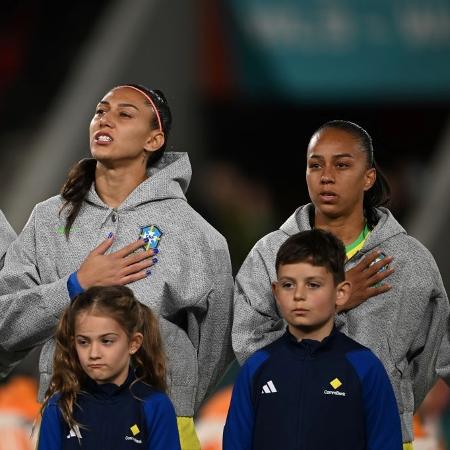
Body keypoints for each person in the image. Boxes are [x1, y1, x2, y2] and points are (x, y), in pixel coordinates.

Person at [0, 84, 234, 449]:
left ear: (154, 139)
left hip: (164, 421)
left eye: (124, 114)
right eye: (100, 111)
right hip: (67, 417)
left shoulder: (197, 234)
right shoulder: (49, 219)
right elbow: (6, 324)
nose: (104, 119)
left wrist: (177, 395)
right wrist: (74, 286)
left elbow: (217, 342)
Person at [232, 120, 449, 448]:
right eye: (315, 165)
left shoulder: (409, 259)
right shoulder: (269, 253)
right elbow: (248, 345)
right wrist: (329, 301)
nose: (326, 176)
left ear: (368, 177)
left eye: (342, 165)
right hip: (289, 431)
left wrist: (392, 404)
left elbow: (431, 356)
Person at [224, 229, 402, 449]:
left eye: (313, 284)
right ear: (276, 292)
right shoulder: (257, 367)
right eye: (288, 285)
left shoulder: (365, 367)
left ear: (341, 292)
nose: (299, 295)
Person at [36, 285, 181, 450]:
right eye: (83, 342)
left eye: (106, 341)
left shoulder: (155, 405)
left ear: (134, 343)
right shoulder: (59, 407)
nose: (94, 353)